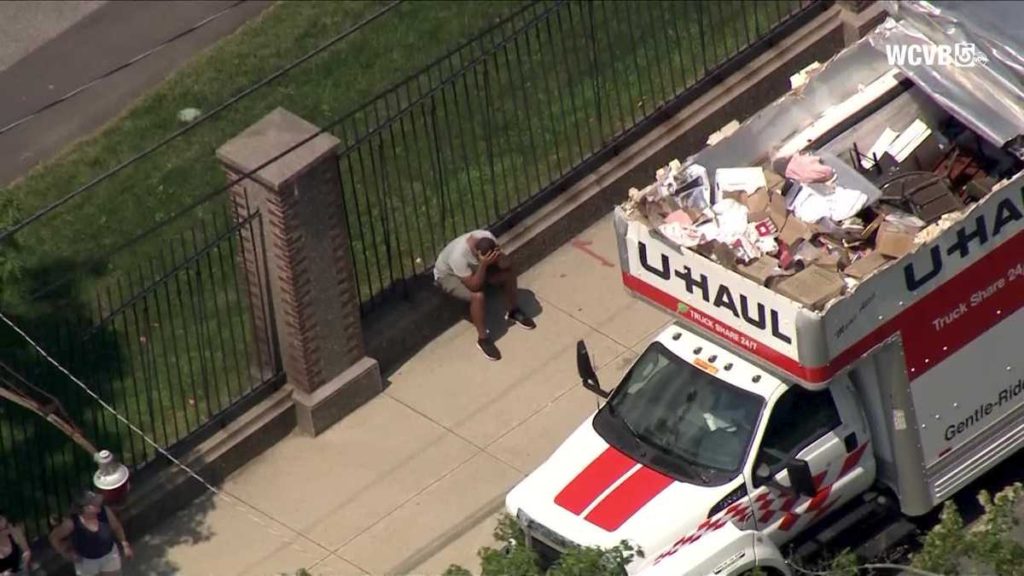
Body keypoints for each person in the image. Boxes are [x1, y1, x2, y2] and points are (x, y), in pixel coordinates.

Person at [434, 229, 535, 360]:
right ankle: (483, 339)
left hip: (474, 267)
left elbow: (507, 264)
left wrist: (499, 257)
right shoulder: (458, 257)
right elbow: (474, 286)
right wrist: (483, 265)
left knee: (507, 274)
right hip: (448, 275)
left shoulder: (488, 237)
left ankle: (513, 311)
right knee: (478, 296)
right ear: (477, 254)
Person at [49, 492, 132, 576]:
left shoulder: (104, 511)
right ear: (85, 508)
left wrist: (125, 545)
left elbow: (116, 527)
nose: (98, 504)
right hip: (86, 562)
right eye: (94, 504)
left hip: (109, 556)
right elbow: (54, 538)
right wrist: (66, 554)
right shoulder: (71, 523)